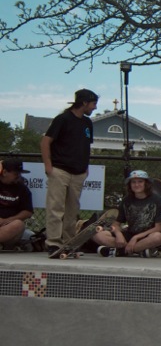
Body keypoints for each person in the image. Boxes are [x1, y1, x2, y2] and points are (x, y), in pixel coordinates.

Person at [40, 88, 98, 254]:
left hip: (78, 172)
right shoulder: (63, 119)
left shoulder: (87, 123)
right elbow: (45, 142)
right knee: (56, 207)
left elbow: (86, 146)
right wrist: (48, 165)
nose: (94, 108)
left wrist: (85, 168)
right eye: (93, 104)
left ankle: (69, 242)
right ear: (84, 102)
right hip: (60, 169)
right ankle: (53, 242)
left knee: (72, 210)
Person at [94, 170, 161, 256]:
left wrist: (136, 238)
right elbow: (116, 224)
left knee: (158, 237)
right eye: (133, 182)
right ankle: (137, 251)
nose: (136, 185)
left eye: (140, 182)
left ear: (146, 184)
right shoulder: (126, 200)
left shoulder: (157, 200)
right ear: (130, 185)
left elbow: (158, 228)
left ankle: (120, 252)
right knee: (98, 235)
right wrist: (118, 235)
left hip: (147, 235)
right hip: (130, 234)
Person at [0, 159, 33, 249]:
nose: (18, 176)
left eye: (19, 174)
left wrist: (9, 220)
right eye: (16, 174)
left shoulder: (22, 189)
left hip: (7, 226)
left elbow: (28, 211)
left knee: (18, 224)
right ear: (5, 172)